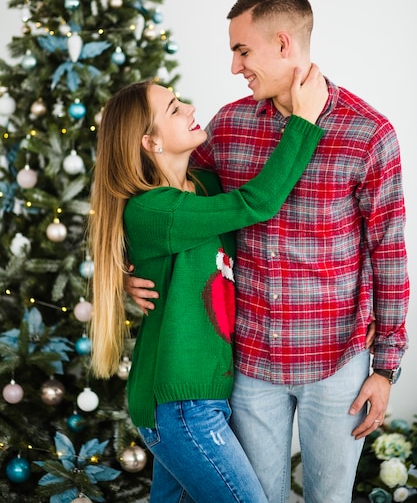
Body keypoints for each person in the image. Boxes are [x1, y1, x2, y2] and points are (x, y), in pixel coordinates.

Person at [125, 0, 409, 503]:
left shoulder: (369, 134)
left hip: (336, 366)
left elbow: (389, 254)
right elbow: (172, 204)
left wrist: (386, 367)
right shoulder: (228, 128)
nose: (235, 68)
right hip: (250, 367)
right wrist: (131, 266)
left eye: (242, 51)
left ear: (283, 43)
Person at [89, 72, 327, 503]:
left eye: (181, 100)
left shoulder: (202, 189)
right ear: (150, 142)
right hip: (181, 404)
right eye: (174, 109)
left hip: (203, 396)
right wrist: (305, 120)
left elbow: (245, 197)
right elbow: (256, 202)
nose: (191, 108)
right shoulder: (154, 210)